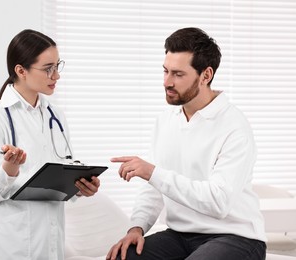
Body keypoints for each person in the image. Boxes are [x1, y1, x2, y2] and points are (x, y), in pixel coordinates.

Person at [106, 27, 266, 260]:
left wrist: (152, 172)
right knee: (122, 257)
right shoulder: (166, 121)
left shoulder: (234, 126)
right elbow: (154, 189)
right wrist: (136, 227)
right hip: (180, 235)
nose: (167, 82)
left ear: (206, 75)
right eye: (165, 71)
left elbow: (218, 202)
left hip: (236, 237)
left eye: (178, 74)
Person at [0, 29, 100, 260]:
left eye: (57, 66)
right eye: (47, 68)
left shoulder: (56, 116)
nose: (56, 76)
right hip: (14, 244)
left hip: (52, 239)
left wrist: (81, 187)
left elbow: (64, 168)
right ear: (21, 70)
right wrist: (9, 170)